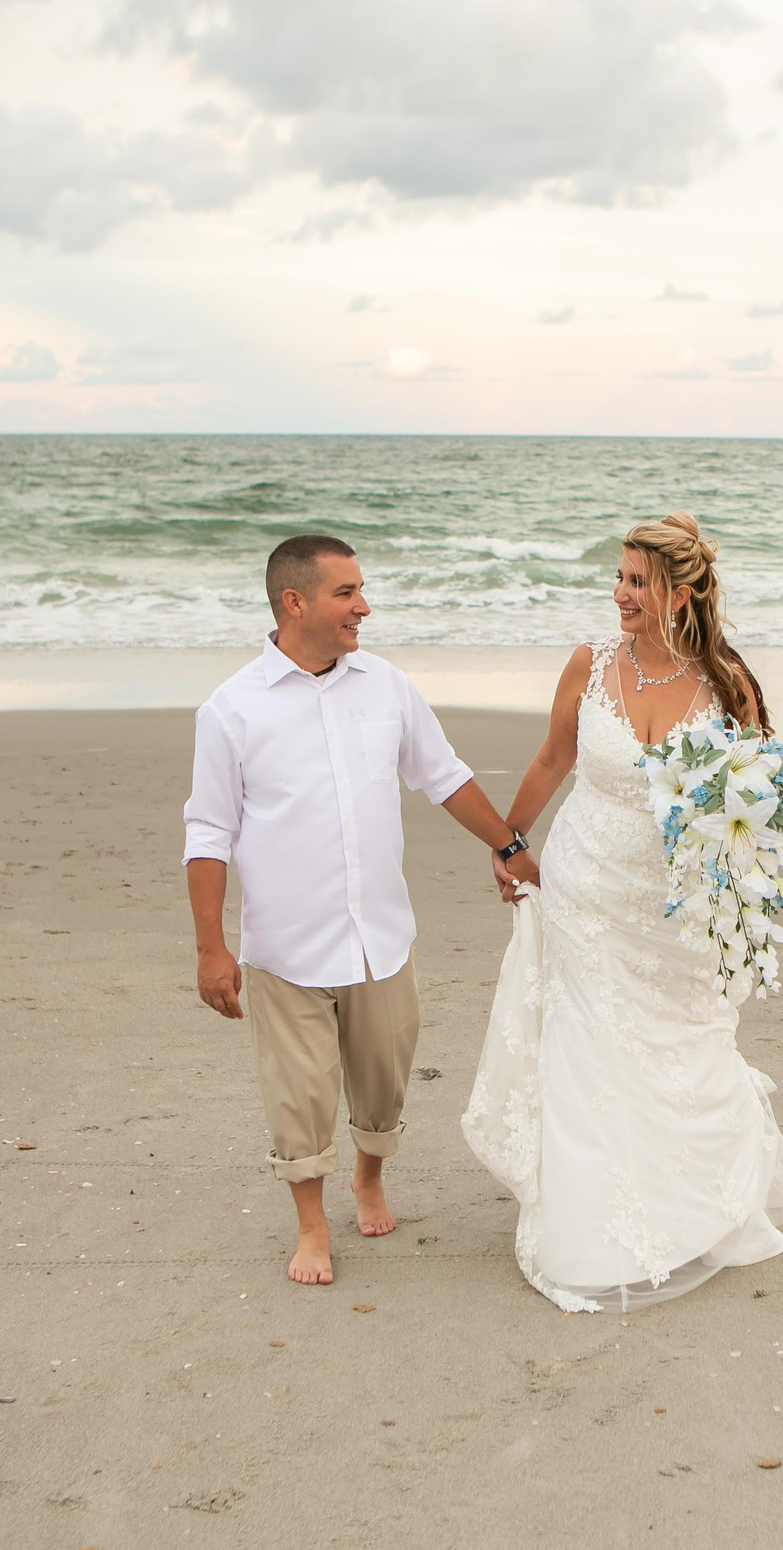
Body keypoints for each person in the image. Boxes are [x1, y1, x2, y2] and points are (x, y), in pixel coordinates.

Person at [460, 513, 783, 1312]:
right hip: (584, 880)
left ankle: (697, 1206)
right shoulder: (591, 661)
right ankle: (590, 1227)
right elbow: (554, 757)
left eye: (637, 582)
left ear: (680, 595)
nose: (620, 594)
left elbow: (759, 789)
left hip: (671, 902)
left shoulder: (727, 684)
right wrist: (510, 841)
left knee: (681, 1036)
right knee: (588, 1039)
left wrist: (740, 885)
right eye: (618, 577)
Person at [183, 534, 539, 1285]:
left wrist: (508, 844)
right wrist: (211, 947)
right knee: (300, 1091)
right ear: (295, 602)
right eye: (346, 593)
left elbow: (444, 776)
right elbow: (208, 834)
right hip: (286, 944)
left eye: (360, 590)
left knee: (383, 1083)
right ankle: (311, 1225)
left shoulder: (386, 686)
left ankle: (369, 1175)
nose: (363, 607)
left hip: (381, 934)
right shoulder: (231, 711)